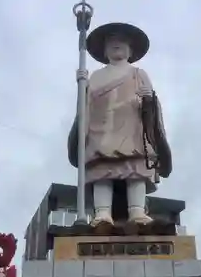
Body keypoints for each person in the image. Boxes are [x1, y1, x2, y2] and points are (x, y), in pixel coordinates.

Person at [68, 22, 172, 227]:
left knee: (135, 171)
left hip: (132, 129)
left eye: (122, 43)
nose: (117, 45)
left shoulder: (138, 74)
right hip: (102, 130)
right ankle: (103, 213)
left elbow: (150, 102)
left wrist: (148, 101)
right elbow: (85, 106)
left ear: (130, 50)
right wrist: (82, 85)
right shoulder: (96, 76)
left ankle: (137, 211)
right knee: (102, 172)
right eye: (112, 43)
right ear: (105, 50)